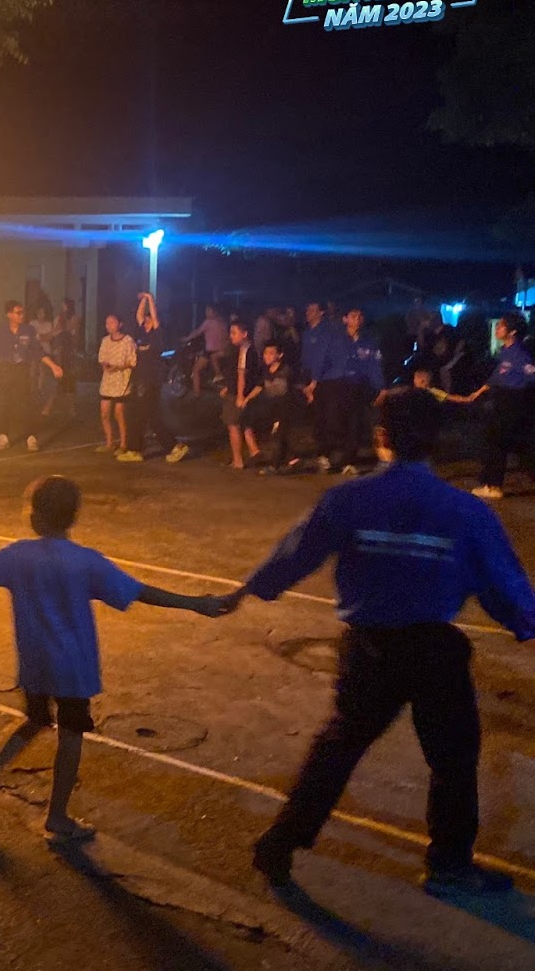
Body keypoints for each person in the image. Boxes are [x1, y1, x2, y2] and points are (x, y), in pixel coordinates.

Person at [227, 389, 535, 897]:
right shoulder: (465, 512)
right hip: (435, 650)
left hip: (369, 650)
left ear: (382, 438)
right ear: (435, 440)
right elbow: (502, 584)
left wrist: (250, 587)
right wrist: (525, 625)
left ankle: (280, 843)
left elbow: (296, 553)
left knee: (339, 747)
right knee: (453, 760)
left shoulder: (349, 499)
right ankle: (449, 864)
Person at [0, 475, 228, 842]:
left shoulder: (19, 556)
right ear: (73, 517)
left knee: (33, 720)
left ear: (34, 517)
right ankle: (58, 816)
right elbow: (140, 592)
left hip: (35, 662)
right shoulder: (86, 562)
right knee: (70, 735)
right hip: (72, 667)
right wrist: (195, 603)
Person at [0, 300, 64, 454]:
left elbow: (38, 352)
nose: (21, 315)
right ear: (9, 314)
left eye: (22, 312)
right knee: (4, 404)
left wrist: (53, 365)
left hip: (22, 371)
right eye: (18, 312)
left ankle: (31, 437)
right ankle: (3, 436)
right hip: (5, 371)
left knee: (26, 404)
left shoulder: (28, 330)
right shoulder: (0, 331)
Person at [468, 312, 535, 501]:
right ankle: (489, 483)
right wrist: (478, 392)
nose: (497, 328)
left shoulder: (520, 354)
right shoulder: (505, 351)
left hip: (512, 401)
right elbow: (497, 376)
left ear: (512, 331)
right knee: (493, 440)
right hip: (501, 399)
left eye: (502, 326)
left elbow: (531, 374)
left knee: (498, 442)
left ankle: (494, 486)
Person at [319, 307, 384, 474]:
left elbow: (374, 365)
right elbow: (322, 361)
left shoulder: (368, 341)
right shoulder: (334, 339)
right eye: (353, 316)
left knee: (354, 422)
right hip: (335, 384)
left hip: (357, 385)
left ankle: (349, 461)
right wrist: (315, 382)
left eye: (360, 316)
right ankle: (331, 454)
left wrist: (381, 388)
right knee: (333, 421)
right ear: (345, 319)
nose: (357, 319)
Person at [130, 293, 185, 463]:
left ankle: (170, 447)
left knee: (145, 415)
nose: (146, 320)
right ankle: (138, 449)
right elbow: (138, 315)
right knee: (147, 415)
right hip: (142, 379)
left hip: (151, 379)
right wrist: (143, 301)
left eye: (149, 319)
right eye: (146, 320)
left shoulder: (157, 334)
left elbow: (154, 315)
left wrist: (150, 298)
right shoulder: (142, 334)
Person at [244, 343, 300, 474]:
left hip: (285, 409)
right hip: (273, 409)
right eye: (265, 353)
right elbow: (259, 386)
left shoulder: (286, 370)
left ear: (279, 355)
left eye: (270, 353)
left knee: (277, 436)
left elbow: (294, 387)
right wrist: (247, 398)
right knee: (280, 435)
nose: (267, 356)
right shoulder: (266, 371)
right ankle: (294, 461)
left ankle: (274, 466)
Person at [220, 320, 263, 470]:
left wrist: (239, 395)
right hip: (241, 392)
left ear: (244, 334)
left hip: (239, 394)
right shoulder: (243, 350)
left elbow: (242, 374)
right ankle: (254, 451)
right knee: (244, 424)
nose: (231, 336)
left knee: (233, 425)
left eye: (234, 333)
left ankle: (238, 460)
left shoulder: (245, 350)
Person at [299, 301, 336, 469]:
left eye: (313, 310)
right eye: (307, 309)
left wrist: (315, 381)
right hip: (309, 379)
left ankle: (326, 454)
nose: (308, 312)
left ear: (321, 313)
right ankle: (320, 450)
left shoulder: (325, 332)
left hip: (323, 380)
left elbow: (323, 358)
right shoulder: (307, 333)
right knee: (315, 416)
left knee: (324, 416)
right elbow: (306, 358)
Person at [96, 314, 138, 459]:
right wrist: (106, 365)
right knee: (104, 412)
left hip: (122, 382)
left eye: (112, 322)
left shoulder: (128, 341)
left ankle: (123, 443)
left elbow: (133, 362)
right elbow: (101, 358)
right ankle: (109, 442)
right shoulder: (105, 341)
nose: (109, 325)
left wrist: (119, 367)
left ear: (120, 324)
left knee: (119, 413)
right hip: (108, 382)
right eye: (107, 323)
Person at [185, 305, 227, 397]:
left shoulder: (208, 322)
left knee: (195, 370)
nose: (206, 313)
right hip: (223, 351)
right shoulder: (222, 322)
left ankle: (196, 393)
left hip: (210, 352)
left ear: (213, 312)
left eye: (208, 311)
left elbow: (197, 332)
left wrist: (187, 338)